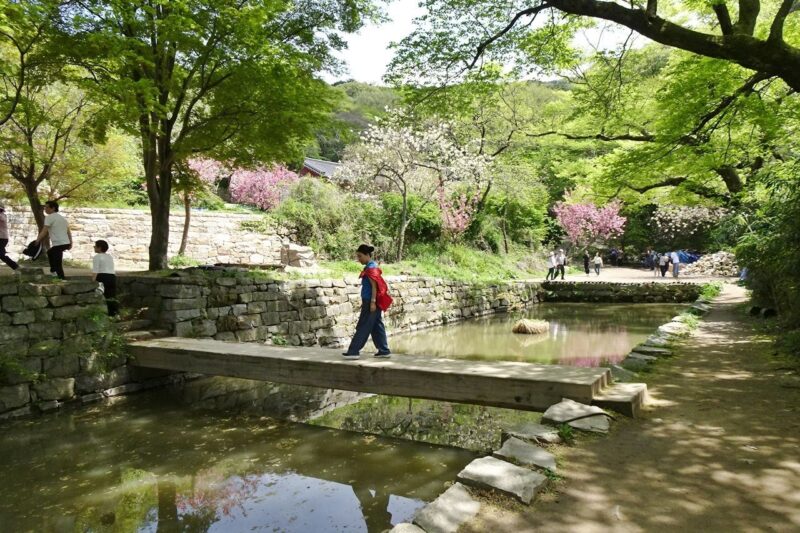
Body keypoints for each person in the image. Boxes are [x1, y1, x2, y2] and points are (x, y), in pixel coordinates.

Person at [343, 244, 392, 360]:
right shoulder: (371, 267)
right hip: (371, 301)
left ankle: (353, 351)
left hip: (371, 301)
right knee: (376, 326)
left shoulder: (371, 268)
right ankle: (384, 350)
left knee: (364, 325)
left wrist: (372, 302)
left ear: (367, 255)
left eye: (360, 256)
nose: (358, 259)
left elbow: (374, 287)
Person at [36, 200, 72, 279]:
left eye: (47, 207)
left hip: (59, 243)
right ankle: (53, 271)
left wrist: (38, 240)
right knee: (50, 252)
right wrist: (70, 243)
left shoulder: (49, 217)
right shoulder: (62, 218)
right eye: (45, 207)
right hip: (65, 242)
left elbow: (44, 230)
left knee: (57, 261)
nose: (45, 209)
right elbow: (68, 232)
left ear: (53, 208)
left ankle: (61, 278)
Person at [92, 240, 118, 317]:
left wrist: (93, 281)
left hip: (102, 277)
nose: (94, 247)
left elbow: (95, 270)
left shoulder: (97, 257)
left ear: (99, 248)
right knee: (111, 296)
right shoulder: (109, 256)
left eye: (95, 246)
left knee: (99, 295)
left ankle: (100, 313)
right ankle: (114, 314)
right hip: (112, 277)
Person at [0, 205, 19, 272]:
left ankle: (15, 267)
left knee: (1, 255)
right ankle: (15, 266)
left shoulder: (2, 216)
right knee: (1, 254)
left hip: (2, 238)